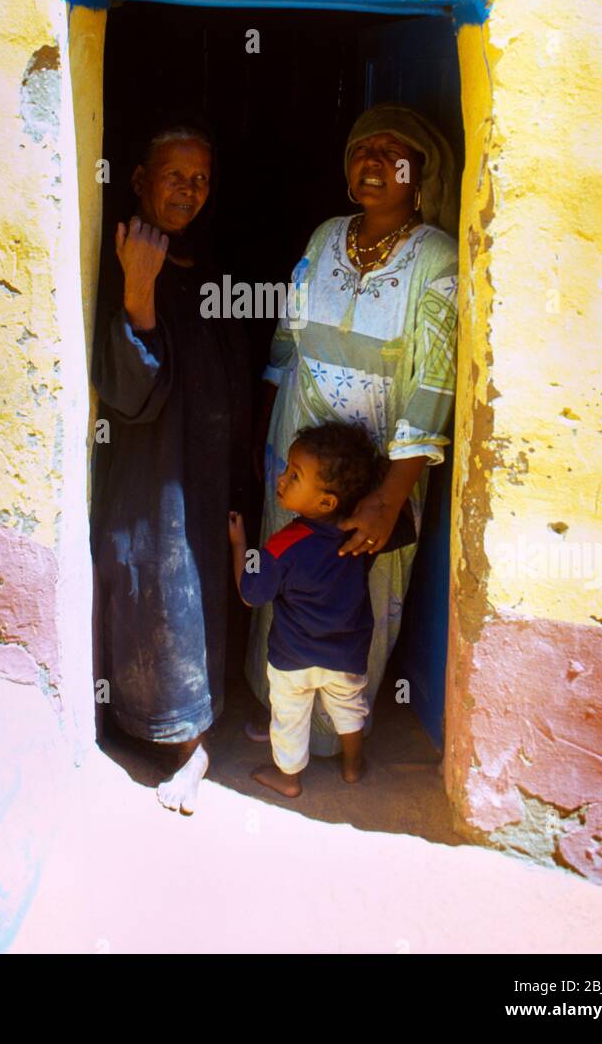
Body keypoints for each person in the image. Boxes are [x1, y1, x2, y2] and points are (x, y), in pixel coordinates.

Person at [244, 102, 459, 756]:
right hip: (299, 450)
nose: (373, 163)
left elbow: (435, 385)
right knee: (287, 576)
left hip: (377, 470)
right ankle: (277, 710)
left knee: (357, 593)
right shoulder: (324, 236)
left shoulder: (436, 258)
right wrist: (263, 431)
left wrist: (386, 498)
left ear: (418, 174)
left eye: (393, 154)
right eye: (363, 150)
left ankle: (340, 737)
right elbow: (287, 337)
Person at [90, 119, 250, 815]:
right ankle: (153, 729)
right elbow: (130, 395)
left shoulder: (200, 260)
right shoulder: (122, 255)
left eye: (202, 179)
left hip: (208, 464)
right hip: (152, 465)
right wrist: (137, 289)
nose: (189, 190)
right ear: (139, 180)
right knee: (151, 576)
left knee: (199, 585)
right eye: (174, 175)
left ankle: (194, 740)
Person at [229, 422, 415, 796]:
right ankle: (352, 766)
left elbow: (251, 593)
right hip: (345, 655)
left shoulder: (284, 545)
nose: (281, 479)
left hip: (292, 659)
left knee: (289, 719)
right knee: (350, 712)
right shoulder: (361, 539)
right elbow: (405, 528)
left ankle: (290, 778)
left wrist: (240, 546)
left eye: (294, 475)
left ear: (327, 502)